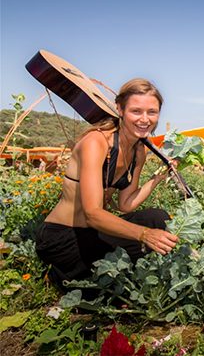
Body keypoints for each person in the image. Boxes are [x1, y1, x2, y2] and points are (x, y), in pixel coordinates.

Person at [35, 78, 178, 290]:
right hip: (63, 237)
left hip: (94, 234)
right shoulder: (96, 142)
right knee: (135, 252)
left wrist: (158, 177)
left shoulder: (139, 150)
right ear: (120, 109)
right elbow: (92, 213)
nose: (145, 119)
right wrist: (144, 234)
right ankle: (73, 278)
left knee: (157, 218)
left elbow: (126, 204)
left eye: (152, 112)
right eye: (136, 111)